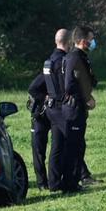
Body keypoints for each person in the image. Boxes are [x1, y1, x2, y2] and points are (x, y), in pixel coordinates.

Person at [26, 29, 67, 190]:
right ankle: (45, 182)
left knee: (46, 147)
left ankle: (47, 181)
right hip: (44, 112)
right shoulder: (57, 64)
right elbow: (33, 88)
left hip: (47, 111)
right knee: (43, 148)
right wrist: (47, 99)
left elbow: (35, 87)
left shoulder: (51, 62)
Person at [57, 27, 97, 192]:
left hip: (78, 108)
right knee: (73, 147)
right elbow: (70, 85)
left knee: (78, 145)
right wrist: (86, 98)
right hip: (74, 108)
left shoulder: (81, 57)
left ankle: (73, 181)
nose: (93, 42)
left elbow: (89, 79)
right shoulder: (74, 58)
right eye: (91, 39)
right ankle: (69, 184)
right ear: (82, 40)